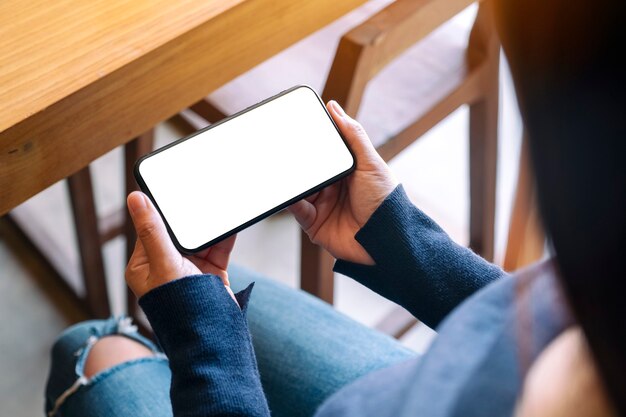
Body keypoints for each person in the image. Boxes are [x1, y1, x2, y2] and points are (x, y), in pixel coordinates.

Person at [44, 0, 625, 415]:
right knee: (227, 284)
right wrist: (404, 245)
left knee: (92, 346)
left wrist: (205, 344)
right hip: (438, 377)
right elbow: (553, 313)